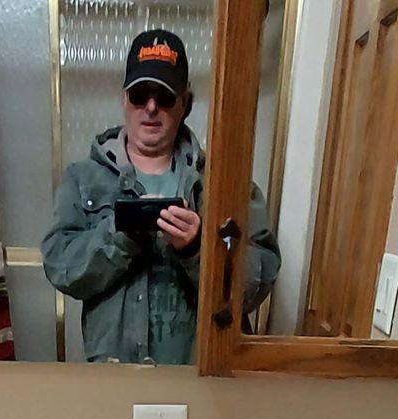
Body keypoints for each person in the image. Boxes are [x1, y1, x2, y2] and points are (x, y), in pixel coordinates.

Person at [42, 29, 279, 365]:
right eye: (140, 95)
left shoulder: (228, 184)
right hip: (116, 375)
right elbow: (60, 268)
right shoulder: (82, 179)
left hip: (204, 374)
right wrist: (120, 238)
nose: (151, 108)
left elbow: (257, 283)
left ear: (185, 104)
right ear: (124, 99)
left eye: (165, 97)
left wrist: (197, 249)